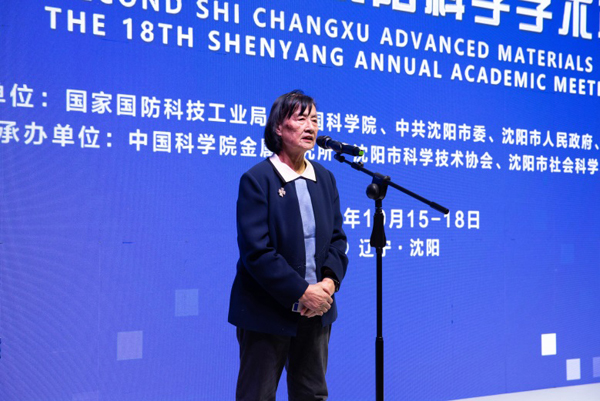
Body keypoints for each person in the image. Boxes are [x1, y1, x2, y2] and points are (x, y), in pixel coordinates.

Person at [228, 90, 348, 401]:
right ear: (278, 127)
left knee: (312, 395)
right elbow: (257, 252)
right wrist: (302, 291)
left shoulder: (325, 178)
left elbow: (337, 239)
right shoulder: (258, 179)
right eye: (301, 119)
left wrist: (328, 284)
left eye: (315, 120)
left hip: (316, 312)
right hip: (266, 311)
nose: (311, 127)